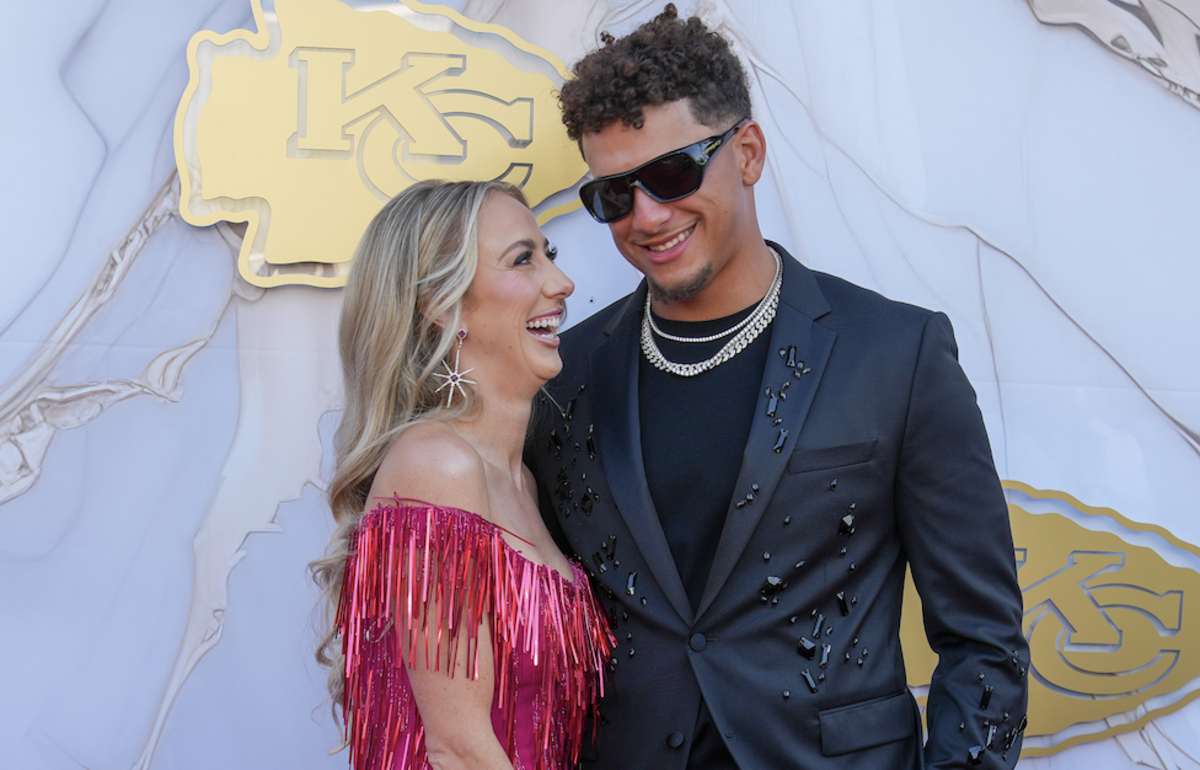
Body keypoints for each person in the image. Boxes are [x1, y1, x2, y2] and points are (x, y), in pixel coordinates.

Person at [526, 6, 1029, 769]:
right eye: (614, 196)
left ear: (749, 152)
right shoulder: (562, 380)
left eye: (672, 172)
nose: (648, 216)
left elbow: (983, 640)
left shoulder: (896, 353)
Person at [312, 179, 614, 770]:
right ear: (443, 305)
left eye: (549, 254)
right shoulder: (436, 465)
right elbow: (457, 749)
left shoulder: (522, 482)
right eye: (522, 259)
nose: (561, 283)